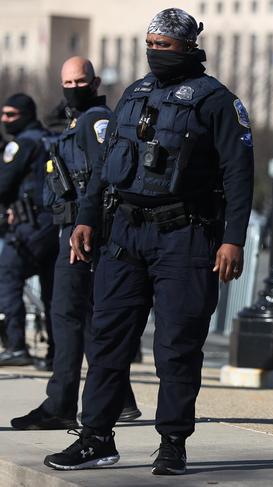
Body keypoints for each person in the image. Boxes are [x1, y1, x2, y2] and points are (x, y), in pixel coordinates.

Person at [44, 8, 254, 475]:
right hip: (124, 235)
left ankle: (173, 443)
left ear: (189, 47)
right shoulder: (133, 94)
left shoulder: (216, 100)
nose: (155, 52)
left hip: (187, 236)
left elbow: (240, 175)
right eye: (151, 44)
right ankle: (96, 437)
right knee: (106, 340)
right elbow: (104, 170)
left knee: (177, 345)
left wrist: (233, 240)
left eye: (165, 45)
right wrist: (86, 219)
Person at [10, 57, 141, 431]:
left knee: (66, 315)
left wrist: (84, 223)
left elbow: (102, 174)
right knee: (83, 318)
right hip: (72, 227)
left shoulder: (94, 120)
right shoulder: (75, 120)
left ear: (95, 81)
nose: (72, 88)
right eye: (66, 82)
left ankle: (61, 404)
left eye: (79, 81)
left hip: (82, 232)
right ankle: (119, 399)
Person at [0, 94, 58, 368]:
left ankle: (15, 345)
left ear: (25, 114)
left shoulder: (22, 143)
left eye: (11, 114)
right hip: (55, 225)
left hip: (29, 226)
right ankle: (56, 355)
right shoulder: (50, 138)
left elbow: (3, 184)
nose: (5, 119)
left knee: (7, 277)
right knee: (52, 293)